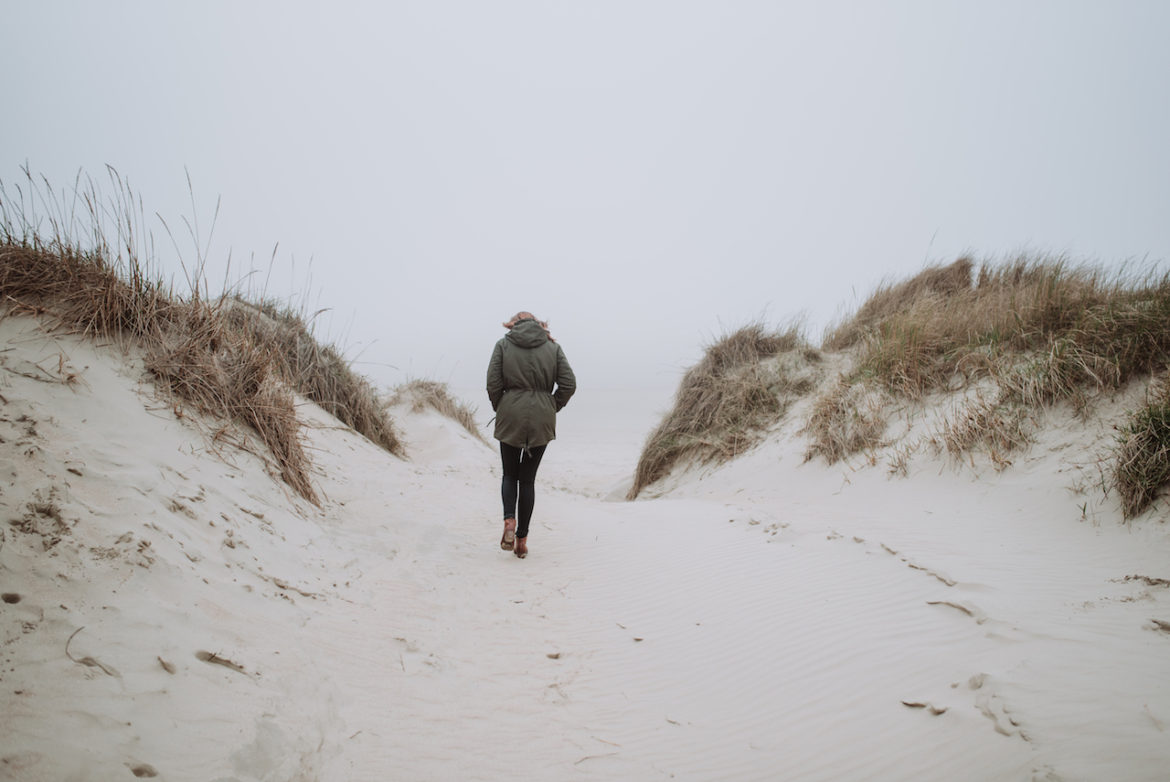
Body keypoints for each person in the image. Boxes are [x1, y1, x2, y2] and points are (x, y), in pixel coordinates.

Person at [486, 311, 576, 559]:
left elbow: (493, 383)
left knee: (509, 474)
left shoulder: (503, 344)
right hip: (541, 419)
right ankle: (522, 540)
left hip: (510, 415)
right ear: (539, 324)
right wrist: (551, 405)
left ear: (513, 324)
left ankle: (509, 520)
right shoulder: (552, 348)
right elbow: (569, 384)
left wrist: (502, 407)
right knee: (527, 481)